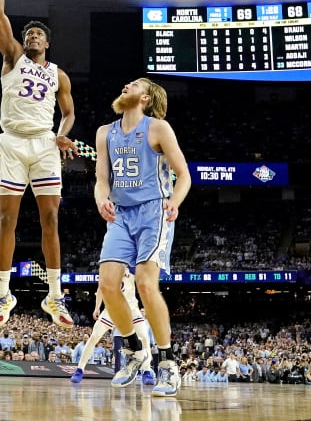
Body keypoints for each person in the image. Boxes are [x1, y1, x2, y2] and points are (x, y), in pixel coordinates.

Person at [0, 0, 77, 330]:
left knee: (50, 218)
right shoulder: (12, 58)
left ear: (48, 43)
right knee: (7, 220)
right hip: (13, 143)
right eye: (29, 33)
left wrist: (62, 135)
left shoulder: (59, 74)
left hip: (44, 142)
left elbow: (68, 114)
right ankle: (4, 294)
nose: (33, 36)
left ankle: (55, 296)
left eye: (39, 34)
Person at [94, 77, 191, 397]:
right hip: (121, 214)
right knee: (108, 285)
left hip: (154, 211)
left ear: (146, 98)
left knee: (146, 285)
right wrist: (101, 199)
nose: (125, 85)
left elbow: (184, 175)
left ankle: (168, 363)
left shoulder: (158, 128)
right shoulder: (104, 133)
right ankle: (135, 352)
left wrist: (174, 201)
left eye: (134, 85)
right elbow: (101, 179)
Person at [69, 270, 155, 385]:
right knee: (94, 337)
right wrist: (97, 307)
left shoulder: (131, 264)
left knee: (144, 337)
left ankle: (147, 371)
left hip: (131, 309)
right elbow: (100, 288)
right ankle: (79, 370)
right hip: (111, 310)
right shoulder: (108, 267)